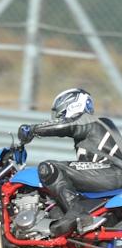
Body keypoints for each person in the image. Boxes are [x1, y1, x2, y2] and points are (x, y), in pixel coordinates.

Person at [18, 88, 122, 236]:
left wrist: (34, 129)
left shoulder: (90, 120)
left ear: (72, 103)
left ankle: (77, 213)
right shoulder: (89, 132)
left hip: (113, 173)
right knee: (57, 202)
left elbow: (64, 125)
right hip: (107, 175)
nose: (59, 115)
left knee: (49, 168)